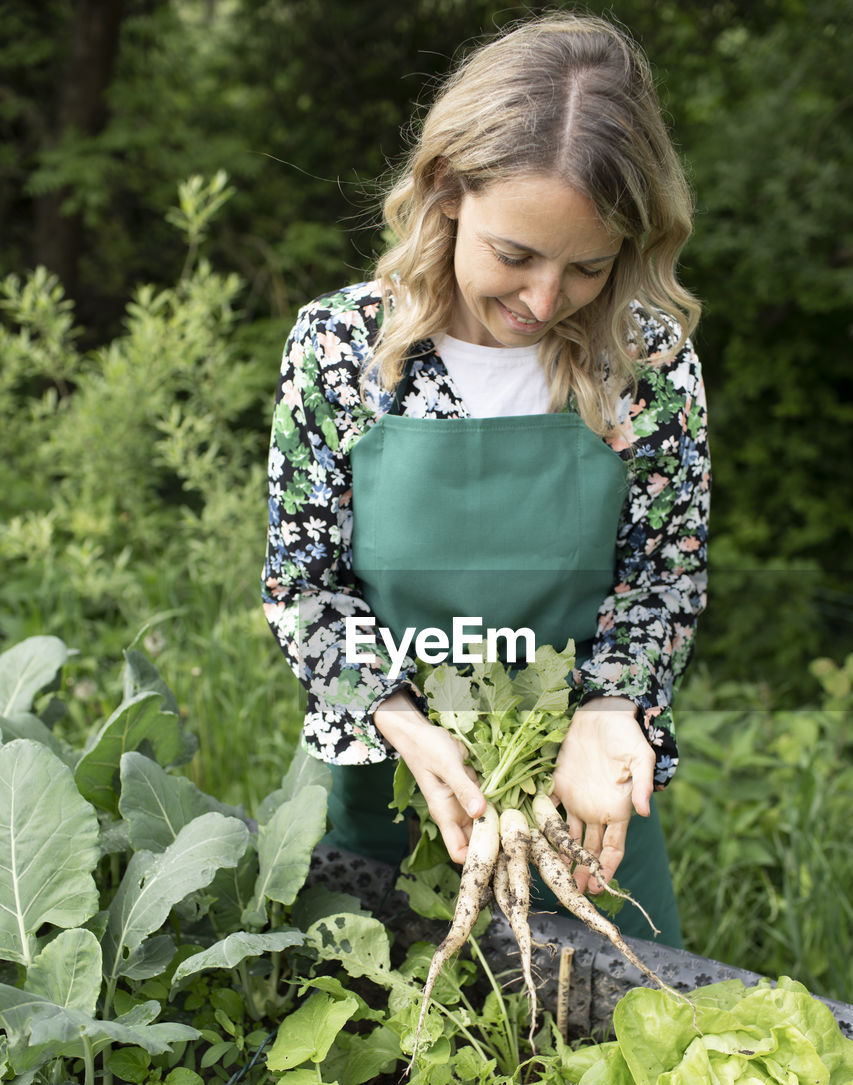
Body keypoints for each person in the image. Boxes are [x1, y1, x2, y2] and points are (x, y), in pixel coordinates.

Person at [262, 12, 709, 947]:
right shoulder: (345, 350)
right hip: (390, 774)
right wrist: (402, 721)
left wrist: (611, 704)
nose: (543, 302)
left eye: (587, 267)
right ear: (446, 189)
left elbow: (662, 581)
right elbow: (303, 586)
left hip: (580, 802)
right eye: (516, 255)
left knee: (624, 1025)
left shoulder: (646, 364)